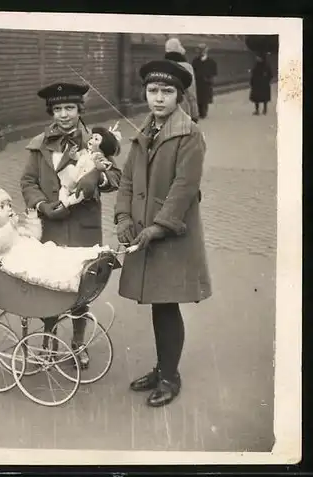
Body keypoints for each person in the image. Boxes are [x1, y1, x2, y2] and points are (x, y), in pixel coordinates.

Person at [115, 59, 212, 407]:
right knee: (159, 304)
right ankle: (162, 368)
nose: (158, 98)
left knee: (167, 305)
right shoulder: (145, 130)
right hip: (145, 232)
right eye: (153, 90)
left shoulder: (190, 134)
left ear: (180, 96)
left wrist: (158, 226)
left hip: (171, 236)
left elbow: (184, 188)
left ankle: (170, 377)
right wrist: (123, 217)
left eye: (167, 92)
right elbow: (127, 179)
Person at [20, 82, 122, 368]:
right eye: (58, 109)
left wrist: (96, 181)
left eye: (70, 108)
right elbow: (28, 181)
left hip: (82, 225)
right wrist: (41, 205)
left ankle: (78, 345)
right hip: (50, 226)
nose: (64, 114)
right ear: (51, 111)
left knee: (80, 287)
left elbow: (115, 176)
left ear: (80, 109)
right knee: (50, 285)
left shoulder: (96, 140)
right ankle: (49, 342)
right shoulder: (39, 144)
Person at [0, 178, 111, 294]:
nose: (9, 208)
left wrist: (33, 220)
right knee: (53, 265)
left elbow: (34, 237)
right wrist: (11, 226)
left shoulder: (15, 229)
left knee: (60, 256)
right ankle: (78, 272)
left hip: (38, 254)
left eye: (9, 204)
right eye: (1, 207)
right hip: (28, 263)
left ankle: (88, 261)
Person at [164, 37, 199, 122]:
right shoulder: (186, 67)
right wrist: (194, 114)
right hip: (182, 107)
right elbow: (191, 92)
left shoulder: (162, 66)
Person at [191, 43, 218, 119]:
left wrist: (210, 79)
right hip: (198, 82)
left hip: (207, 82)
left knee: (205, 98)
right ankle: (200, 111)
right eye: (200, 50)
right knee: (199, 97)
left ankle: (204, 112)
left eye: (203, 50)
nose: (201, 52)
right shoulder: (195, 61)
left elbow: (214, 72)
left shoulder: (211, 61)